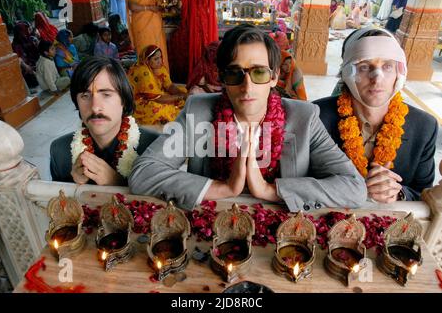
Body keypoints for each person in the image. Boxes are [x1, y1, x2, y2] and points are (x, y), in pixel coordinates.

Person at [128, 24, 367, 211]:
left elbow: (354, 188)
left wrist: (268, 190)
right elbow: (144, 173)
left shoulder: (303, 118)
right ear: (221, 79)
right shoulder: (198, 112)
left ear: (274, 77)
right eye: (234, 74)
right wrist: (223, 188)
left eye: (259, 72)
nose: (247, 86)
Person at [314, 27, 438, 202]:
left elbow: (424, 193)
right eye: (364, 67)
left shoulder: (424, 126)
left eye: (387, 66)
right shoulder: (316, 117)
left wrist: (398, 193)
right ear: (346, 72)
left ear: (399, 73)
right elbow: (300, 180)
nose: (377, 78)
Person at [50, 56, 160, 185]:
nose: (95, 107)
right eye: (85, 96)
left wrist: (117, 183)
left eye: (106, 94)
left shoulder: (154, 148)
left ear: (123, 100)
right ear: (76, 103)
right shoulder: (60, 152)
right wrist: (73, 184)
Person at [128, 45, 187, 125]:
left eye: (160, 57)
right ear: (147, 61)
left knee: (183, 90)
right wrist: (180, 97)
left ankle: (166, 117)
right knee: (156, 108)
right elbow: (157, 98)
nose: (160, 61)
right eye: (156, 59)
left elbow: (169, 85)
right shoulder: (142, 72)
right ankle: (163, 118)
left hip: (157, 95)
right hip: (140, 100)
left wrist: (181, 93)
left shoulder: (159, 67)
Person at [126, 0, 170, 69]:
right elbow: (132, 6)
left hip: (156, 27)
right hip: (144, 28)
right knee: (148, 54)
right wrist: (149, 8)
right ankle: (149, 79)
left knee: (159, 53)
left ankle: (162, 78)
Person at [12, 21, 40, 88]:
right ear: (21, 32)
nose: (29, 30)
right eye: (27, 29)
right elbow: (19, 58)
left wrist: (37, 43)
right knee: (33, 81)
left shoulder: (31, 38)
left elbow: (38, 52)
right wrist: (27, 67)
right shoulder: (15, 44)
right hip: (27, 67)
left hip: (35, 64)